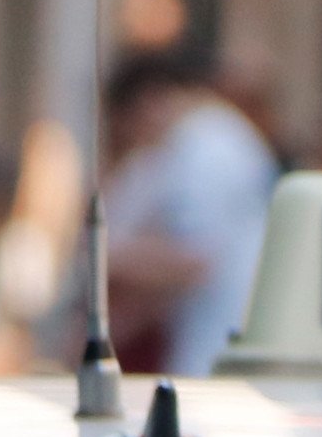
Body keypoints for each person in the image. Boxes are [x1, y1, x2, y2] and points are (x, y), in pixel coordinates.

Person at [102, 47, 277, 377]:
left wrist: (108, 256)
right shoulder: (213, 138)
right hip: (219, 338)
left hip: (218, 344)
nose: (138, 141)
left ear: (148, 101)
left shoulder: (205, 150)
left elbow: (195, 260)